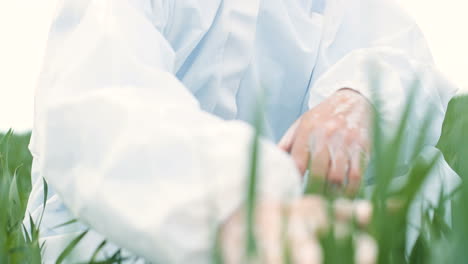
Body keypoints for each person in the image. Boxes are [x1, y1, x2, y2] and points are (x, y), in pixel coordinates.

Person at [24, 0, 458, 263]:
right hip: (128, 229)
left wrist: (357, 96)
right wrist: (231, 209)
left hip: (302, 214)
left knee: (422, 182)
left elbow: (397, 52)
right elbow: (93, 98)